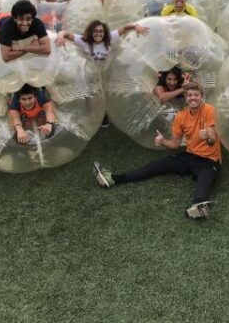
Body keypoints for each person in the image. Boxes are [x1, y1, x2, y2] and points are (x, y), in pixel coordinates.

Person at [93, 81, 220, 220]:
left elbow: (212, 140)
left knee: (204, 180)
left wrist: (208, 136)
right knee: (154, 167)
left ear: (201, 97)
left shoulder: (209, 110)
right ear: (186, 97)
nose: (193, 98)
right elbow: (175, 144)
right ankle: (113, 179)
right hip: (189, 156)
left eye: (196, 95)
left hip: (209, 160)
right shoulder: (181, 116)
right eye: (190, 95)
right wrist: (163, 142)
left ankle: (198, 206)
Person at [55, 19, 149, 62]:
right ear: (91, 32)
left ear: (104, 32)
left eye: (101, 31)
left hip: (107, 73)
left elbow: (125, 27)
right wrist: (60, 36)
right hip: (91, 74)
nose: (98, 34)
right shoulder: (84, 41)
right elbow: (66, 33)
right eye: (95, 31)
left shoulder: (110, 37)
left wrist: (136, 26)